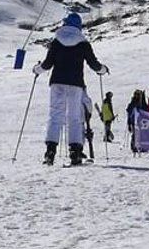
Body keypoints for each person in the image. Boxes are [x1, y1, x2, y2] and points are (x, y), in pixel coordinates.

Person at [34, 13, 108, 166]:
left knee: (55, 116)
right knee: (74, 117)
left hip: (57, 83)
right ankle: (75, 152)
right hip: (75, 84)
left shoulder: (56, 42)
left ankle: (50, 151)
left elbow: (47, 64)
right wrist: (102, 69)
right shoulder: (83, 43)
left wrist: (37, 70)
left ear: (64, 24)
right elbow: (94, 64)